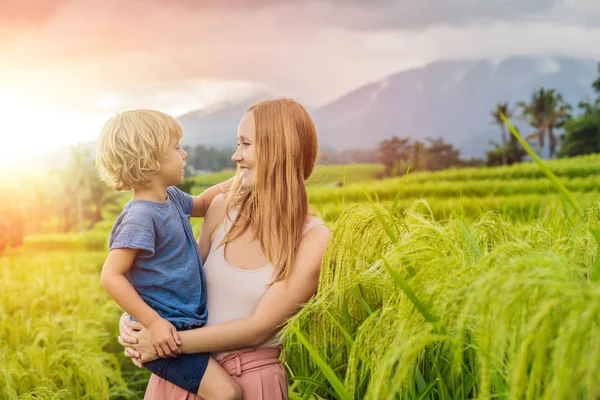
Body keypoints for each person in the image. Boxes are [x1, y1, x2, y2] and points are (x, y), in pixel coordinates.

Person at [118, 99, 331, 399]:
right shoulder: (222, 210)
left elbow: (259, 328)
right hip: (181, 378)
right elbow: (176, 284)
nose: (236, 155)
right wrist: (135, 323)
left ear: (278, 151)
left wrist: (161, 342)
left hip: (252, 383)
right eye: (237, 143)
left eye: (245, 144)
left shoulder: (314, 239)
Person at [96, 109, 242, 399]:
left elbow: (201, 204)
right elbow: (111, 276)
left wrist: (242, 177)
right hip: (163, 335)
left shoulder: (171, 197)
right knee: (228, 394)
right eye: (176, 148)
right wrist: (153, 323)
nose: (184, 154)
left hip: (184, 325)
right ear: (149, 159)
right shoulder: (141, 216)